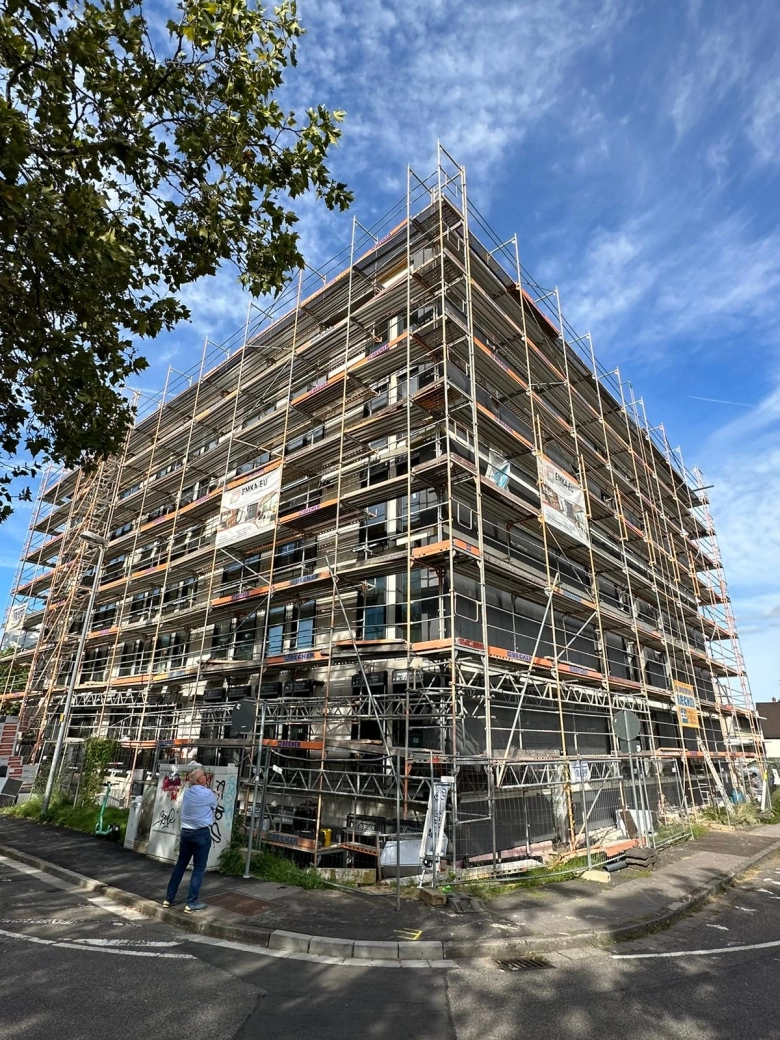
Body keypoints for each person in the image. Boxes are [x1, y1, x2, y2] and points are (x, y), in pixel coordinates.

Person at [163, 768, 218, 913]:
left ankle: (168, 898)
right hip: (201, 833)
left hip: (186, 832)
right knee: (199, 868)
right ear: (201, 780)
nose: (206, 777)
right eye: (204, 776)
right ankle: (191, 902)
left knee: (181, 864)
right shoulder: (208, 794)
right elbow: (214, 805)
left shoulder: (187, 792)